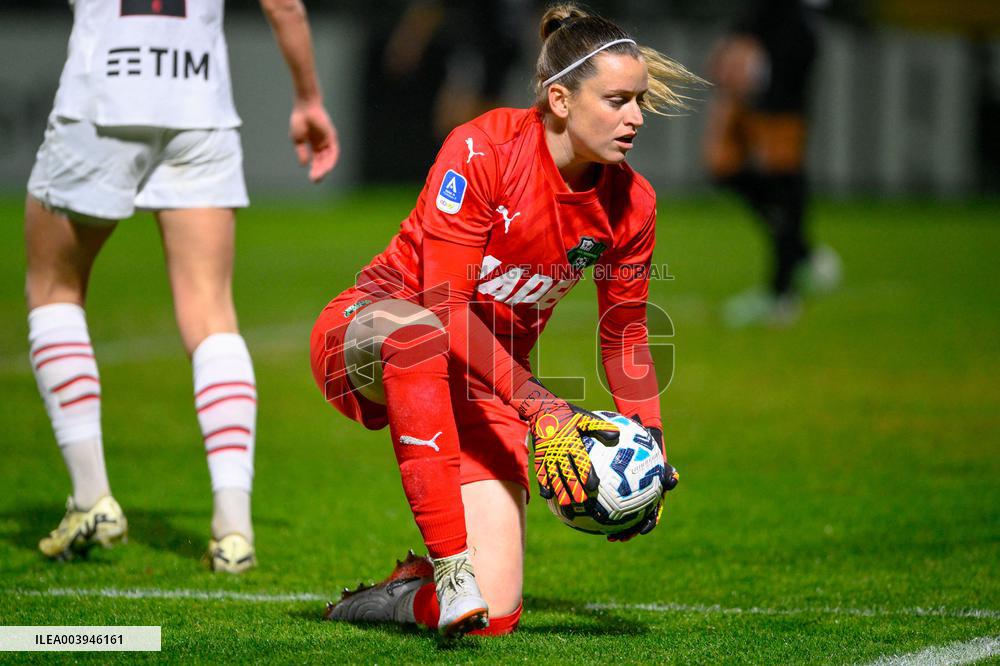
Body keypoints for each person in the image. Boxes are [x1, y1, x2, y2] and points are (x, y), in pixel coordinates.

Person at [312, 4, 691, 638]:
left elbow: (624, 335)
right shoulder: (482, 149)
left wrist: (648, 443)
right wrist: (541, 406)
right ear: (560, 99)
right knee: (419, 336)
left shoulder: (632, 204)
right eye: (618, 99)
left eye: (641, 102)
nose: (636, 118)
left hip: (482, 382)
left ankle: (410, 593)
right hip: (367, 334)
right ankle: (451, 568)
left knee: (495, 617)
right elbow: (446, 306)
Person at [26, 0, 338, 573]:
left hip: (104, 94)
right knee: (212, 312)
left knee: (53, 288)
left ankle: (92, 496)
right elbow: (283, 4)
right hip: (197, 102)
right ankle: (234, 528)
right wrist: (309, 98)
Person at [702, 0, 841, 327]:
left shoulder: (792, 21)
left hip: (783, 58)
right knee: (726, 169)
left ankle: (782, 293)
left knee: (783, 178)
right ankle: (801, 252)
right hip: (757, 60)